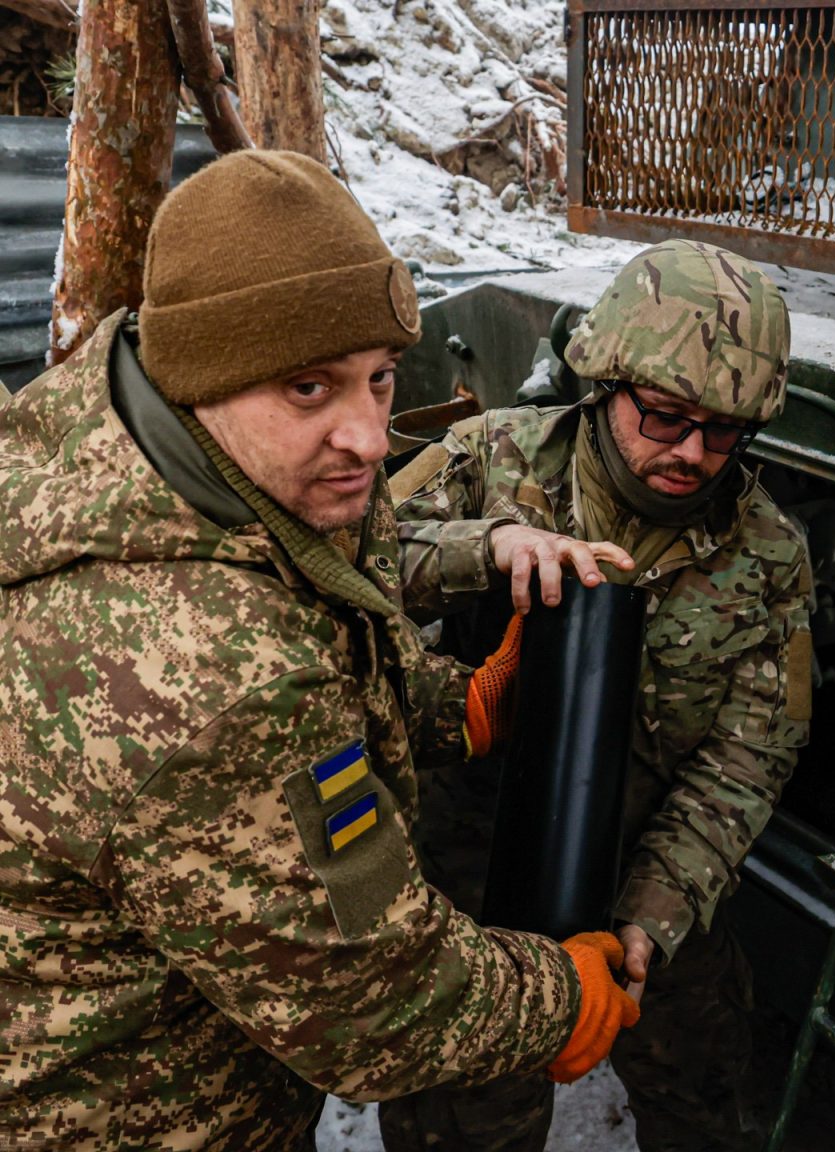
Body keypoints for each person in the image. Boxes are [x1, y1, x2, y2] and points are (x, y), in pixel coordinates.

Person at [0, 149, 637, 1151]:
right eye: (309, 387)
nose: (370, 438)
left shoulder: (177, 445)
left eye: (379, 378)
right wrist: (565, 996)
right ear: (202, 372)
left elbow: (325, 637)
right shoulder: (209, 677)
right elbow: (381, 1004)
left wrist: (454, 706)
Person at [382, 238, 814, 1151]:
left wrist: (653, 915)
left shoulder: (767, 553)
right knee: (464, 1128)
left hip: (652, 877)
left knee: (704, 1096)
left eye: (724, 431)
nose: (692, 453)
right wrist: (486, 549)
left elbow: (748, 758)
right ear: (605, 383)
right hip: (472, 897)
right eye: (664, 416)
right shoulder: (488, 460)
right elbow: (349, 569)